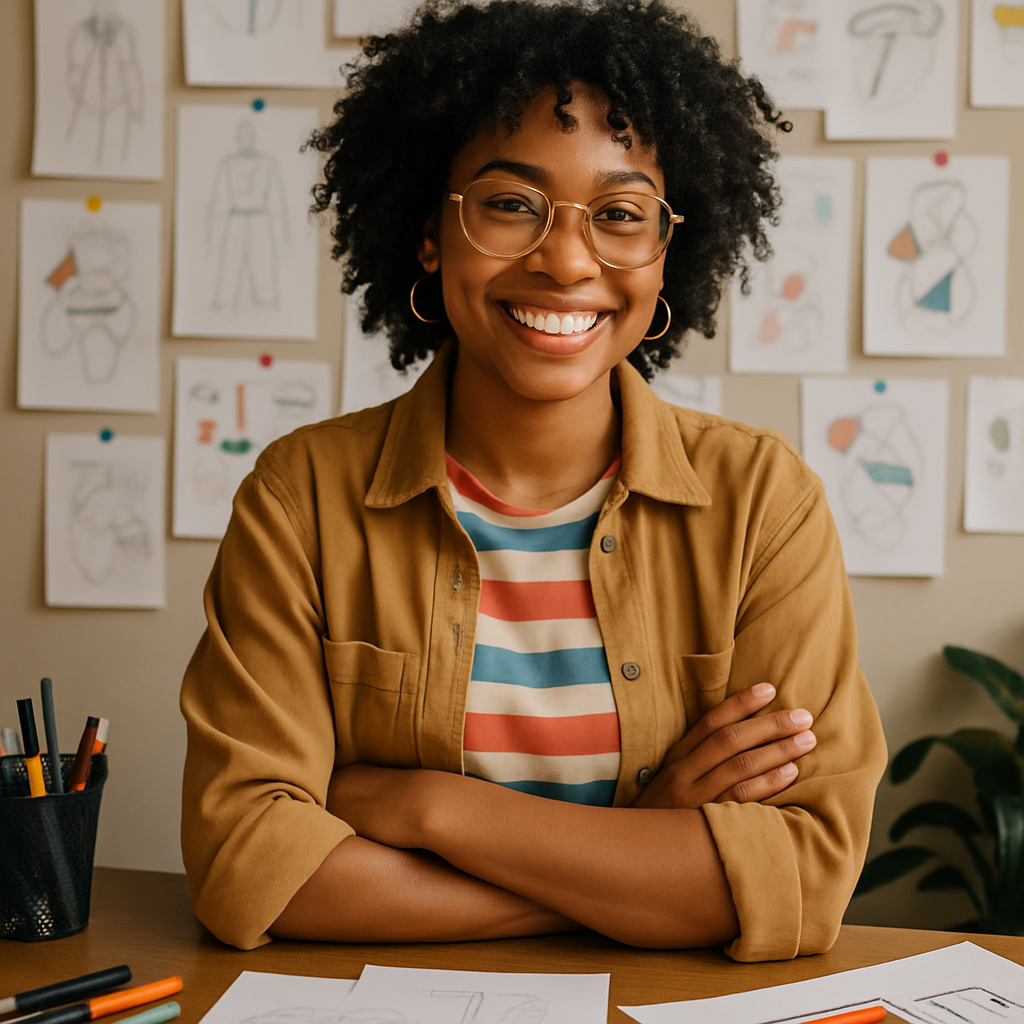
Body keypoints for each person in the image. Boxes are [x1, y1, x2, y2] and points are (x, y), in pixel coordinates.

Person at [180, 0, 887, 962]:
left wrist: (427, 808)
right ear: (430, 231)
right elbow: (247, 866)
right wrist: (641, 862)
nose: (563, 260)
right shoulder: (300, 498)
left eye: (622, 215)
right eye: (510, 204)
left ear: (668, 249)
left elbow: (802, 878)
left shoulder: (765, 502)